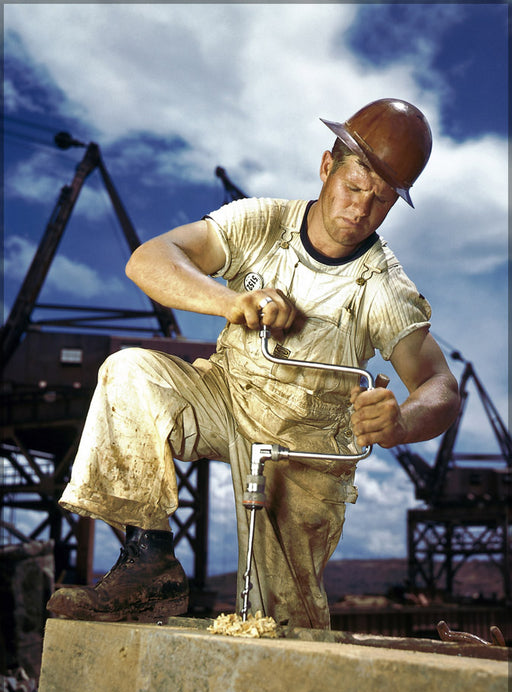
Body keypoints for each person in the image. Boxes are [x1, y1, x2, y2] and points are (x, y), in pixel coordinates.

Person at [47, 98, 460, 629]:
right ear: (326, 167)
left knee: (282, 622)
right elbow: (147, 260)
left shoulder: (383, 288)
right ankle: (149, 567)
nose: (359, 210)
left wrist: (402, 422)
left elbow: (440, 385)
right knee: (130, 373)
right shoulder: (259, 223)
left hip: (304, 452)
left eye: (378, 202)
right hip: (225, 397)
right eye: (354, 188)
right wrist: (227, 301)